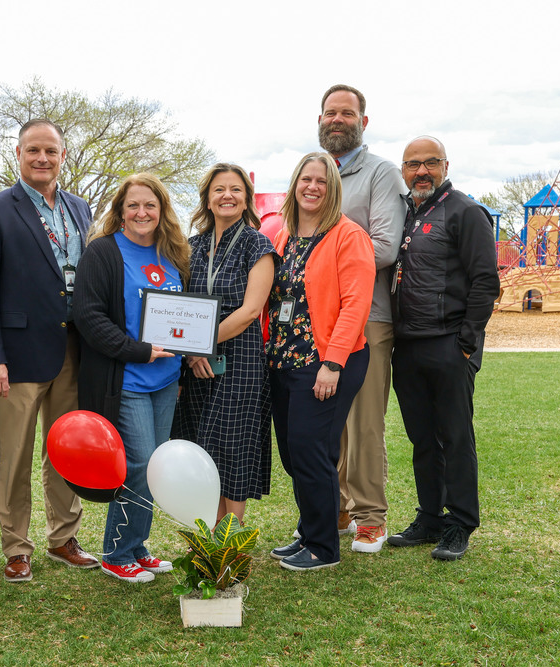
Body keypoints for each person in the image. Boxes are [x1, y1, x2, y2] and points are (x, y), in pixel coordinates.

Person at [0, 119, 97, 583]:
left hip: (73, 350)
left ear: (64, 156)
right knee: (16, 455)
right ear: (18, 153)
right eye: (34, 150)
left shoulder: (81, 209)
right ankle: (16, 548)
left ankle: (63, 538)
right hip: (17, 355)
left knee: (67, 450)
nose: (43, 158)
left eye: (52, 151)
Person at [387, 136, 500, 561]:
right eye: (413, 164)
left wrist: (467, 343)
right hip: (408, 346)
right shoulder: (405, 213)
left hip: (450, 343)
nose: (422, 172)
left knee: (454, 436)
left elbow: (486, 280)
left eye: (430, 163)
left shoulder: (466, 211)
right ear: (403, 170)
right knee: (421, 439)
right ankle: (430, 517)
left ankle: (460, 523)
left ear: (446, 165)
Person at [75, 173, 189, 583]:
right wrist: (139, 351)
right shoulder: (103, 253)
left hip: (166, 380)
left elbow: (186, 316)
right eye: (133, 205)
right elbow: (89, 317)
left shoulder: (171, 254)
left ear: (161, 212)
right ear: (120, 212)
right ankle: (116, 552)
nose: (142, 212)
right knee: (137, 464)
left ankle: (138, 547)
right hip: (126, 380)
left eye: (150, 206)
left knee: (153, 467)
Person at [267, 152, 375, 571]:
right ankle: (311, 530)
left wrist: (333, 364)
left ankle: (324, 546)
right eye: (306, 179)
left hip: (326, 362)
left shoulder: (349, 236)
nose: (312, 187)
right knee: (296, 455)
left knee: (312, 451)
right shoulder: (284, 235)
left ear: (333, 189)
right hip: (284, 360)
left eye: (322, 182)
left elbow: (355, 305)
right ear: (295, 184)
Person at [318, 84, 407, 553]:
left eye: (346, 113)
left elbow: (385, 248)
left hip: (368, 317)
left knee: (364, 424)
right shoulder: (315, 174)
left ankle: (371, 517)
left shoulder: (381, 174)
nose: (337, 119)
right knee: (326, 421)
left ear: (363, 122)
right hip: (318, 322)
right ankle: (334, 510)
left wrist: (321, 265)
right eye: (330, 112)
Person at [173, 163, 276, 525]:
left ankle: (231, 531)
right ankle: (211, 528)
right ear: (207, 198)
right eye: (219, 189)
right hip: (196, 361)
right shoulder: (192, 245)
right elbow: (179, 307)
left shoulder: (257, 243)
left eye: (235, 189)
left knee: (231, 442)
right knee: (203, 441)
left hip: (240, 355)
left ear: (246, 197)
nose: (227, 195)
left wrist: (201, 343)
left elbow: (250, 310)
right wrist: (191, 350)